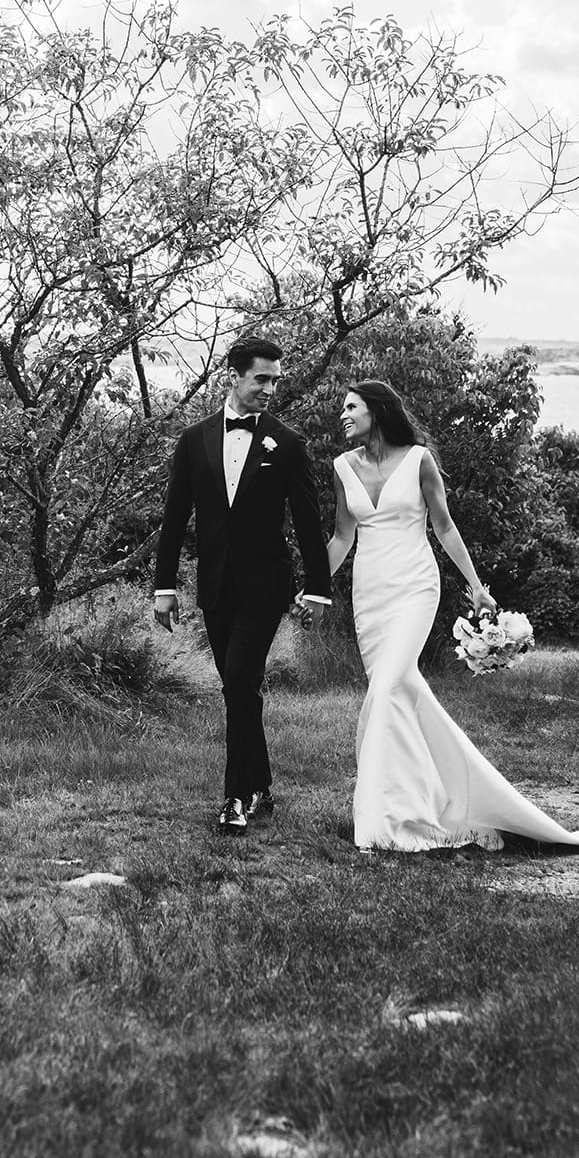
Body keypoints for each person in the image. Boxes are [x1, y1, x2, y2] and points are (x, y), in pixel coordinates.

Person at [326, 381, 579, 852]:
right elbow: (340, 537)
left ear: (377, 411)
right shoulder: (341, 467)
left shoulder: (418, 460)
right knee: (400, 694)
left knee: (388, 687)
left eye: (351, 407)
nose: (343, 415)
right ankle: (437, 796)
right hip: (368, 597)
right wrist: (313, 590)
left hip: (415, 588)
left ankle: (382, 817)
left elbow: (444, 525)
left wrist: (476, 588)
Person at [153, 336, 333, 833]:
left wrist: (318, 588)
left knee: (237, 679)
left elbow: (307, 519)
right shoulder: (194, 439)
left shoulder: (287, 442)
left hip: (265, 586)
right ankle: (262, 781)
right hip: (214, 585)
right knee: (241, 687)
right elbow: (174, 518)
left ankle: (235, 797)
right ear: (232, 376)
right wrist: (163, 585)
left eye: (276, 380)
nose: (271, 388)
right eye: (262, 379)